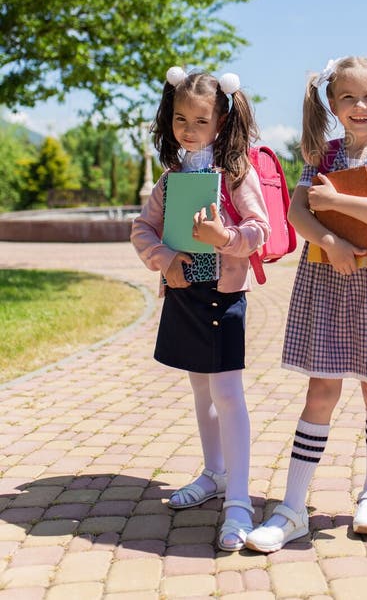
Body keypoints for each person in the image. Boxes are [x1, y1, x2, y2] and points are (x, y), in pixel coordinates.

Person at [245, 52, 367, 553]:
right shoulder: (322, 155)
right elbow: (298, 214)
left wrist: (336, 202)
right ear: (332, 103)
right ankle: (293, 508)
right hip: (329, 278)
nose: (359, 105)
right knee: (320, 391)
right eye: (348, 97)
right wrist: (335, 241)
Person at [131, 67, 270, 552]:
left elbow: (260, 228)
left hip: (223, 295)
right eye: (180, 119)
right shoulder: (170, 180)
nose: (190, 129)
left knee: (227, 392)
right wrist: (164, 261)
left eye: (201, 121)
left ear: (222, 121)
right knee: (200, 389)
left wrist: (225, 238)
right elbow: (141, 230)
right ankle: (213, 472)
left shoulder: (235, 172)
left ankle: (238, 500)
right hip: (184, 294)